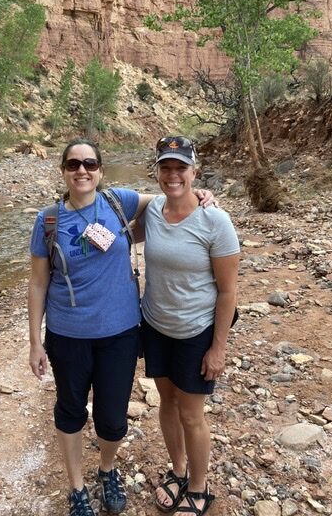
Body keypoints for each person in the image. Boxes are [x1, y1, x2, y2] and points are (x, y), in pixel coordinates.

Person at [27, 138, 214, 516]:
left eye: (90, 164)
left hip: (121, 334)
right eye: (74, 164)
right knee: (70, 410)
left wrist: (199, 194)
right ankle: (77, 487)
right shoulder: (48, 220)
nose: (82, 170)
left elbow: (165, 198)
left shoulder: (118, 201)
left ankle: (107, 468)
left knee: (112, 418)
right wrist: (34, 341)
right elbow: (38, 282)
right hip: (68, 335)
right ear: (63, 171)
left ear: (101, 171)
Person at [135, 135, 240, 516]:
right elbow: (111, 208)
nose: (173, 175)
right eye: (166, 167)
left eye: (181, 168)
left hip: (196, 331)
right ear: (157, 172)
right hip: (155, 325)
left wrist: (218, 348)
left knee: (192, 414)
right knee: (167, 403)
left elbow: (228, 291)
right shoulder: (152, 210)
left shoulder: (215, 221)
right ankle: (178, 470)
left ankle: (199, 486)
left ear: (195, 171)